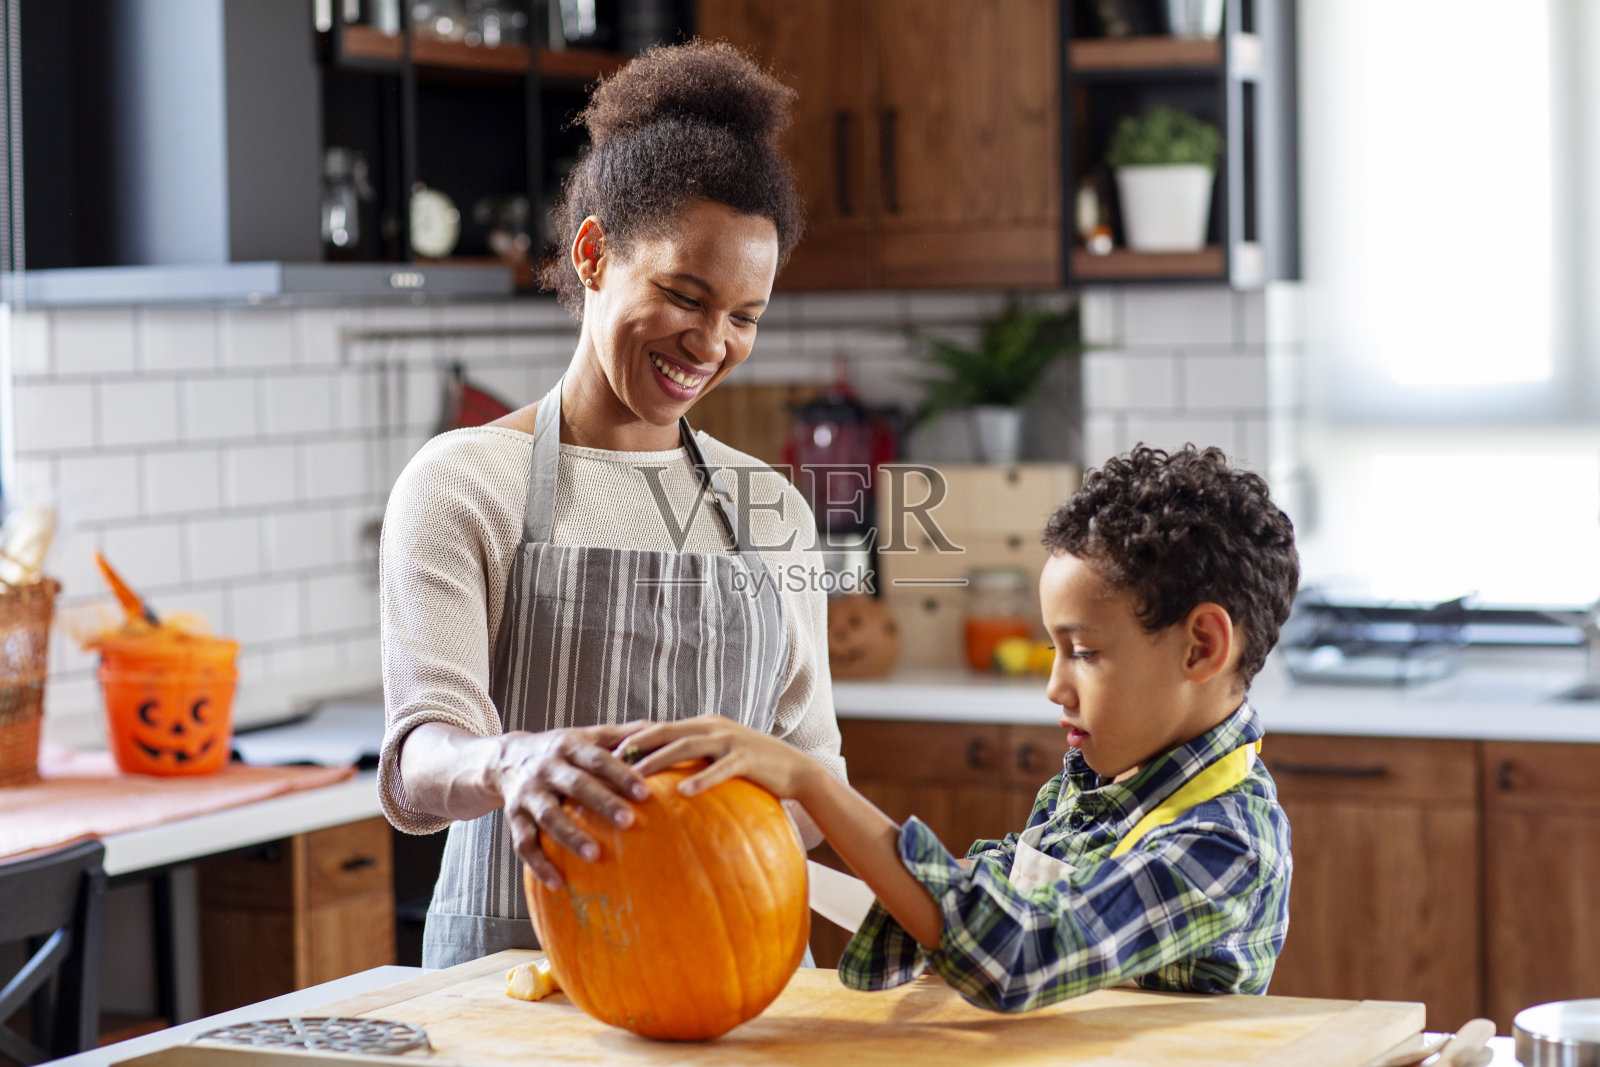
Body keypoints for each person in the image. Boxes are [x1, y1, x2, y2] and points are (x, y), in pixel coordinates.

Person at [376, 40, 845, 970]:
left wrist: (706, 875)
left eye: (745, 315)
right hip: (514, 977)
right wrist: (510, 762)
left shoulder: (773, 509)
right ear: (592, 254)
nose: (710, 343)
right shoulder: (464, 480)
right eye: (682, 293)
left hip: (729, 975)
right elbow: (420, 757)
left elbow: (813, 770)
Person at [628, 444, 1299, 1012]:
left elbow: (1017, 951)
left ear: (1202, 646)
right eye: (1054, 649)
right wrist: (741, 867)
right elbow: (965, 907)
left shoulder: (1226, 845)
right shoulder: (1097, 789)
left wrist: (811, 781)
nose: (1054, 685)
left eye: (1085, 652)